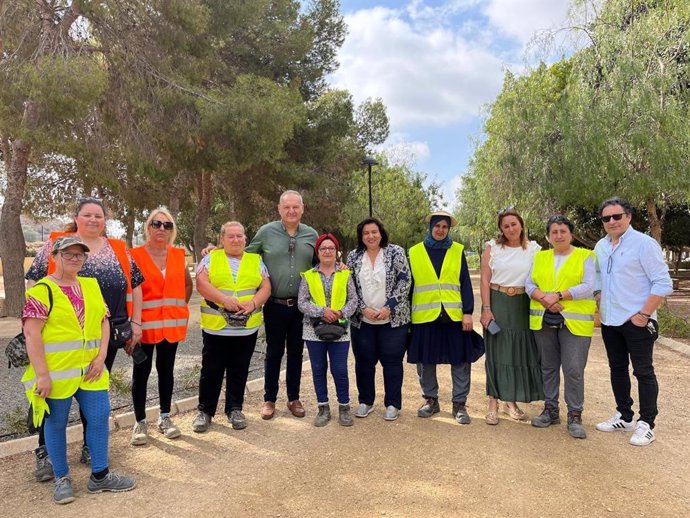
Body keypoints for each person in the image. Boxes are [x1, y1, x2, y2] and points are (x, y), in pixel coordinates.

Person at [25, 197, 144, 479]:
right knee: (53, 401)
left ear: (105, 220)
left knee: (92, 395)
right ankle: (46, 455)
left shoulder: (117, 249)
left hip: (104, 335)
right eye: (87, 215)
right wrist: (34, 317)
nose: (93, 220)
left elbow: (135, 284)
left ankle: (92, 448)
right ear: (77, 217)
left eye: (98, 216)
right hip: (59, 339)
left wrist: (135, 322)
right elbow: (33, 280)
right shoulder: (57, 244)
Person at [593, 197, 673, 447]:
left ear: (629, 217)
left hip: (637, 321)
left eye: (617, 216)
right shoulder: (601, 246)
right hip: (610, 320)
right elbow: (597, 278)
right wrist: (598, 297)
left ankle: (647, 424)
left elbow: (662, 283)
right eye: (607, 218)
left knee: (643, 371)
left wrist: (643, 314)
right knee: (617, 368)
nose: (612, 221)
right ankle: (624, 415)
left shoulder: (644, 244)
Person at [192, 221, 271, 432]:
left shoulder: (256, 260)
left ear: (245, 239)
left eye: (240, 236)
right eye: (231, 236)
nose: (236, 240)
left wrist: (254, 303)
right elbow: (201, 284)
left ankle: (235, 408)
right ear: (222, 239)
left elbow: (266, 286)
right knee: (211, 370)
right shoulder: (210, 258)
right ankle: (205, 411)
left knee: (239, 369)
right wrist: (224, 300)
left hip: (246, 327)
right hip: (216, 326)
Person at [246, 190, 318, 420]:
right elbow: (246, 256)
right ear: (279, 209)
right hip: (274, 304)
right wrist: (215, 251)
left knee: (296, 352)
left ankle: (293, 398)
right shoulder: (266, 232)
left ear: (302, 208)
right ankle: (269, 399)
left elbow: (322, 264)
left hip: (301, 306)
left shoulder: (311, 235)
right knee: (273, 352)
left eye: (295, 207)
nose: (291, 211)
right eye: (286, 207)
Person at [407, 210, 484, 425]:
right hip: (424, 316)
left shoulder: (457, 250)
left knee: (460, 359)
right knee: (425, 361)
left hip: (454, 315)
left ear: (449, 229)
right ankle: (431, 400)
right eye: (437, 226)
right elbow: (409, 287)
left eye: (444, 227)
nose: (440, 230)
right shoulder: (414, 252)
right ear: (430, 227)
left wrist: (467, 312)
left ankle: (459, 403)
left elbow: (465, 283)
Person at [526, 215, 596, 439]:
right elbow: (529, 283)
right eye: (554, 232)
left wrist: (557, 296)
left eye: (563, 231)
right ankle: (551, 410)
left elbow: (588, 286)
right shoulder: (540, 257)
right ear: (548, 236)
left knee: (573, 369)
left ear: (571, 234)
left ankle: (575, 414)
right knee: (548, 366)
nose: (558, 235)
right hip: (544, 319)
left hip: (574, 322)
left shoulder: (586, 256)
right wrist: (544, 299)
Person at [129, 208, 193, 445]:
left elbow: (187, 285)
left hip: (170, 327)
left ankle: (165, 417)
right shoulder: (133, 255)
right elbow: (128, 291)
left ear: (172, 230)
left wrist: (177, 308)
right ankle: (140, 422)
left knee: (166, 372)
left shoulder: (177, 255)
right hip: (142, 329)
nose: (161, 229)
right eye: (156, 224)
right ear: (148, 227)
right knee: (141, 374)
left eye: (167, 225)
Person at [479, 208, 543, 425]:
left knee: (518, 353)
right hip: (497, 301)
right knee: (496, 352)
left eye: (513, 224)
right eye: (505, 226)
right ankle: (492, 402)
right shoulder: (493, 248)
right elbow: (485, 279)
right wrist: (486, 308)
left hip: (523, 304)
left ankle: (511, 402)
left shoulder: (534, 249)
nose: (510, 229)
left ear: (521, 225)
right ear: (501, 230)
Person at [346, 218, 411, 421]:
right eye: (366, 233)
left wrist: (389, 307)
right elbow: (349, 286)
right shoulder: (354, 256)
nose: (370, 236)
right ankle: (365, 401)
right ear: (361, 236)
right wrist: (362, 309)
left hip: (392, 319)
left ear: (381, 233)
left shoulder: (395, 252)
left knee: (392, 362)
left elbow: (405, 280)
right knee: (364, 362)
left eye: (374, 232)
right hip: (363, 320)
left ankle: (392, 403)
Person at [298, 233, 358, 427]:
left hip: (340, 327)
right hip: (314, 329)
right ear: (318, 252)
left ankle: (344, 407)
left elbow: (354, 300)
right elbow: (302, 302)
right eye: (323, 248)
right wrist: (322, 312)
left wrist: (340, 313)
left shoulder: (345, 274)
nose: (327, 251)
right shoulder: (308, 275)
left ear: (337, 251)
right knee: (318, 369)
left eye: (331, 248)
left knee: (339, 369)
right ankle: (323, 407)